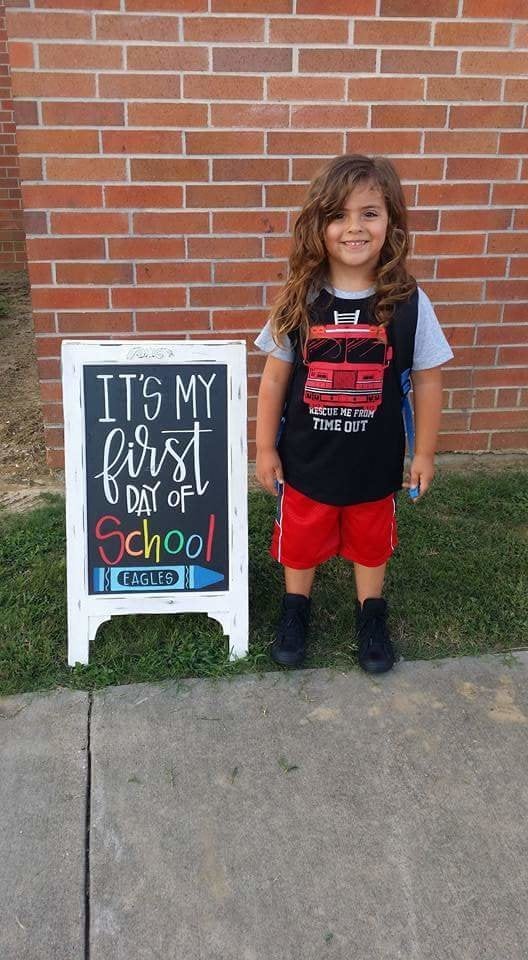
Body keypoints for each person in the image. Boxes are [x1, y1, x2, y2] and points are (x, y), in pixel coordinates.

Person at [254, 153, 453, 674]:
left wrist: (424, 452)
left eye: (369, 213)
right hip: (306, 459)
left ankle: (371, 612)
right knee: (300, 540)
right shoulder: (298, 300)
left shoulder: (408, 303)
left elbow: (429, 377)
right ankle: (295, 608)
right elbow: (275, 377)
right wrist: (264, 446)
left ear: (391, 222)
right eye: (338, 215)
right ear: (318, 226)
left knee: (370, 540)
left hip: (374, 461)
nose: (353, 227)